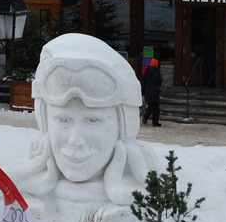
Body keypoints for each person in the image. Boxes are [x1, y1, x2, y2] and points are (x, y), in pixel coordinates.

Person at [16, 33, 160, 207]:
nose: (75, 140)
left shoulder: (151, 214)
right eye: (63, 119)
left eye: (93, 120)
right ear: (44, 123)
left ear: (125, 127)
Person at [141, 58, 162, 127]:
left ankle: (145, 116)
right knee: (155, 108)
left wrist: (143, 92)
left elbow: (143, 83)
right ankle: (155, 122)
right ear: (156, 65)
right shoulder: (156, 73)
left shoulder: (146, 73)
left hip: (147, 92)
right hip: (154, 92)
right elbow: (159, 82)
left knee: (151, 106)